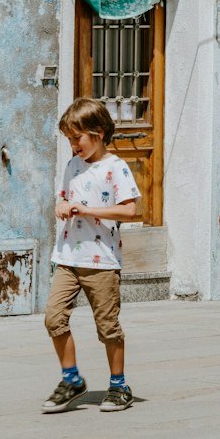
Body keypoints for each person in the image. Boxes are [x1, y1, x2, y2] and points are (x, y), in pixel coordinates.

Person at [43, 97, 141, 414]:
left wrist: (89, 210)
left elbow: (130, 210)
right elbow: (64, 198)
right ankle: (71, 379)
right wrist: (61, 206)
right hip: (69, 257)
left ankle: (118, 385)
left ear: (97, 132)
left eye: (77, 138)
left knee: (108, 327)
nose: (73, 145)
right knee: (54, 318)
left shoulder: (116, 168)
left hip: (102, 260)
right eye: (70, 139)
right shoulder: (72, 166)